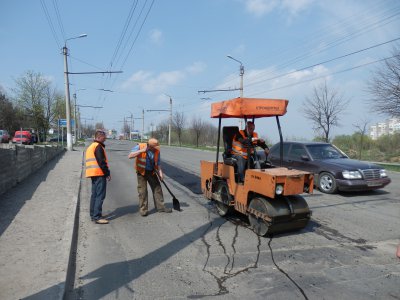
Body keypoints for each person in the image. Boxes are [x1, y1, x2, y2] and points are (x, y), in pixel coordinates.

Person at [128, 138, 172, 216]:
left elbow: (158, 163)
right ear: (150, 146)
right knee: (143, 191)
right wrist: (141, 151)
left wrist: (161, 173)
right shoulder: (140, 146)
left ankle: (160, 207)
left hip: (151, 172)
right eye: (154, 147)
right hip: (141, 172)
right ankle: (143, 210)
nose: (156, 148)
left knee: (157, 189)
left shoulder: (157, 150)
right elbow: (130, 156)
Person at [85, 129, 111, 224]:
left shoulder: (92, 146)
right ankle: (97, 217)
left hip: (93, 173)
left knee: (94, 195)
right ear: (99, 137)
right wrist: (107, 174)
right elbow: (101, 162)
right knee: (100, 195)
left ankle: (93, 215)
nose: (105, 138)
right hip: (99, 173)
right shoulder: (98, 146)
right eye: (104, 136)